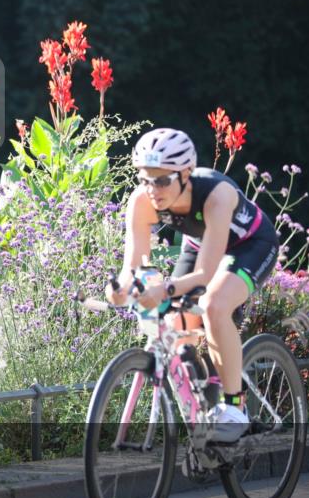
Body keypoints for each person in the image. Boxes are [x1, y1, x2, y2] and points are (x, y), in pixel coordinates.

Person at [106, 128, 280, 442]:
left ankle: (234, 408)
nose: (152, 190)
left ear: (186, 174)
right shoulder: (142, 201)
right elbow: (134, 266)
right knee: (174, 325)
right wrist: (120, 288)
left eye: (162, 181)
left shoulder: (217, 194)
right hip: (200, 245)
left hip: (249, 245)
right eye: (145, 180)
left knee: (214, 305)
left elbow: (204, 274)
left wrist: (165, 289)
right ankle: (206, 397)